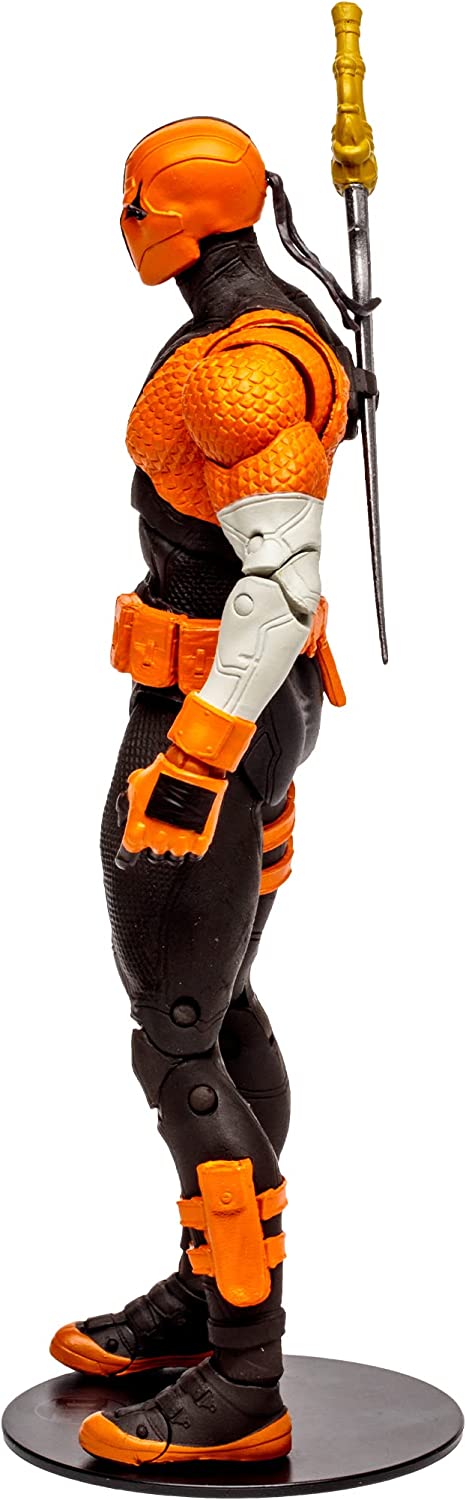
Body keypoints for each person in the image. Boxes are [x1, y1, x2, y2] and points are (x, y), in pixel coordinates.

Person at [51, 116, 354, 1465]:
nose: (123, 226)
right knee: (216, 1004)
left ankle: (244, 1376)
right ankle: (201, 1295)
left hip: (208, 718)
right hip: (252, 715)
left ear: (174, 217)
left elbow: (278, 587)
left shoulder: (240, 372)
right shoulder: (282, 329)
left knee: (175, 1038)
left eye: (134, 205)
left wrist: (194, 757)